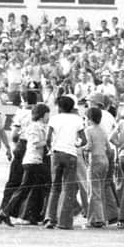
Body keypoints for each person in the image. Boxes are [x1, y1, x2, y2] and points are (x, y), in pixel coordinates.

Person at [0, 103, 50, 226]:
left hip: (34, 161)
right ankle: (49, 215)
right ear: (42, 115)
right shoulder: (34, 127)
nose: (48, 117)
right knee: (47, 185)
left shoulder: (40, 126)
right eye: (47, 114)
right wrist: (48, 141)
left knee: (24, 189)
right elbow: (36, 143)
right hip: (33, 161)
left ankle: (6, 212)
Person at [44, 95, 86, 230]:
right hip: (71, 154)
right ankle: (64, 222)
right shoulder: (77, 119)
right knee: (68, 189)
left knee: (55, 187)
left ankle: (50, 218)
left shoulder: (54, 118)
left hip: (56, 153)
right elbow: (83, 140)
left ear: (59, 107)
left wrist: (50, 148)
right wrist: (76, 144)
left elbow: (47, 138)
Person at [83, 107, 110, 228]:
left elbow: (88, 146)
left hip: (94, 160)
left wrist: (80, 148)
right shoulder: (103, 130)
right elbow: (108, 148)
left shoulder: (88, 130)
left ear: (89, 118)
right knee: (100, 190)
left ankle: (97, 219)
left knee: (93, 191)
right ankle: (100, 217)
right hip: (104, 160)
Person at [108, 107, 124, 228]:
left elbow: (111, 138)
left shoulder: (122, 123)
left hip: (122, 156)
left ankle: (122, 218)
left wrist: (120, 145)